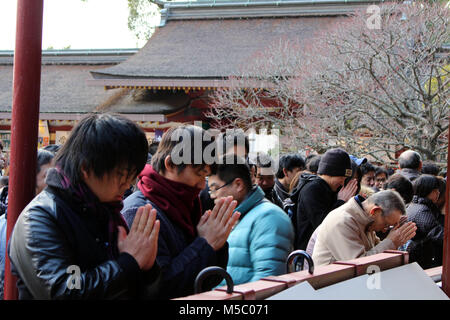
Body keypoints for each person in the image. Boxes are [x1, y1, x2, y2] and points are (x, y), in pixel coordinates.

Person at [8, 113, 161, 299]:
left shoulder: (107, 212)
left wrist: (148, 268)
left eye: (132, 175)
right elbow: (66, 290)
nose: (128, 184)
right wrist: (129, 263)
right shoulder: (40, 218)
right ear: (86, 168)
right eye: (121, 174)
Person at [121, 125, 240, 299]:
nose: (201, 185)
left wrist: (217, 243)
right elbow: (158, 289)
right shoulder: (139, 212)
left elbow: (208, 279)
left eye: (205, 177)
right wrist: (205, 244)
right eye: (199, 174)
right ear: (170, 164)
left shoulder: (188, 205)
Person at [208, 155, 294, 285]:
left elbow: (266, 282)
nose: (212, 195)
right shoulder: (235, 216)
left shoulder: (269, 218)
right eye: (210, 190)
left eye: (215, 188)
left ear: (238, 184)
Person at [312, 190, 417, 266]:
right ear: (374, 211)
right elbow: (359, 265)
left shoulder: (365, 219)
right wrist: (391, 242)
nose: (384, 230)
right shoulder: (343, 221)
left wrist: (396, 241)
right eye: (386, 224)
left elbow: (375, 250)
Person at [292, 148, 358, 250]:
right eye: (342, 178)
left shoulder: (330, 189)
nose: (342, 183)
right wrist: (341, 202)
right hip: (308, 254)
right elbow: (323, 225)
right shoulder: (312, 190)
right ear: (331, 173)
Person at [406, 174, 444, 269]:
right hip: (420, 259)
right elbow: (437, 233)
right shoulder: (422, 211)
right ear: (428, 191)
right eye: (435, 190)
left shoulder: (416, 205)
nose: (438, 193)